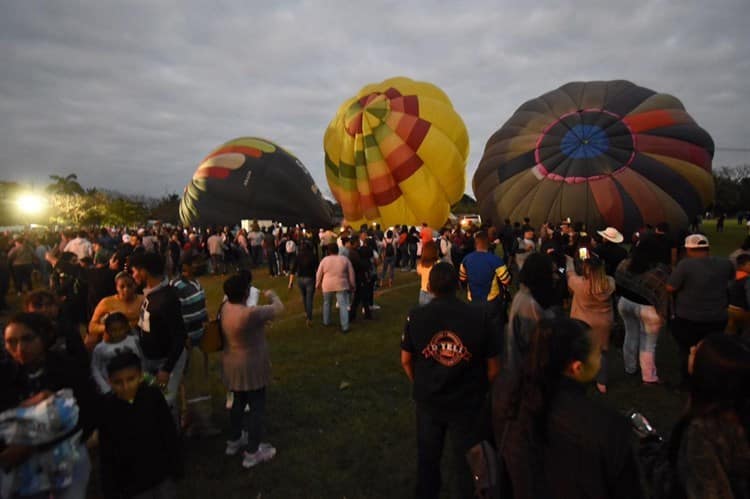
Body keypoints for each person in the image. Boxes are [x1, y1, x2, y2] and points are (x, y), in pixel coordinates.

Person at [491, 317, 644, 498]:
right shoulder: (607, 427)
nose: (601, 358)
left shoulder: (507, 395)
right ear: (577, 367)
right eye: (597, 354)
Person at [401, 262, 500, 499]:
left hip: (430, 400)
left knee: (428, 458)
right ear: (457, 285)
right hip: (466, 400)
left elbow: (406, 360)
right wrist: (480, 389)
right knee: (468, 460)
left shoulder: (416, 315)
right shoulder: (479, 316)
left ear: (430, 286)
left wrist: (421, 383)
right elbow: (494, 368)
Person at [2, 312, 98, 499]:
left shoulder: (67, 369)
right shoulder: (4, 375)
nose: (19, 348)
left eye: (27, 339)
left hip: (67, 456)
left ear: (44, 337)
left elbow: (89, 412)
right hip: (19, 467)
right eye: (11, 342)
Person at [643, 334, 750, 498]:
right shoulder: (734, 413)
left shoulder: (702, 431)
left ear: (709, 372)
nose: (691, 349)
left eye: (697, 351)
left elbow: (704, 487)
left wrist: (650, 451)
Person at [98, 352, 182, 499]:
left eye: (130, 379)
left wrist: (175, 466)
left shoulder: (153, 397)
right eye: (118, 382)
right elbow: (107, 451)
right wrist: (110, 489)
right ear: (110, 382)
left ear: (141, 376)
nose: (125, 387)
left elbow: (168, 432)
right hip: (132, 485)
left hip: (160, 475)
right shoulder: (108, 409)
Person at [221, 274, 283, 468]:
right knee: (257, 407)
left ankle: (235, 438)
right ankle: (253, 451)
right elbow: (279, 309)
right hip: (251, 366)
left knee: (238, 402)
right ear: (245, 292)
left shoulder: (225, 308)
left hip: (232, 364)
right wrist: (272, 295)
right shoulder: (249, 313)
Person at [667, 234, 734, 384]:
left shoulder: (685, 265)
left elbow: (670, 287)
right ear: (708, 248)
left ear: (688, 249)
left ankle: (688, 380)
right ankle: (712, 378)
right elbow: (731, 281)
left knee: (687, 350)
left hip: (689, 317)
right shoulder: (725, 263)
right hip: (718, 317)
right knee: (712, 349)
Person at [130, 252, 187, 418]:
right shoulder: (151, 294)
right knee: (154, 399)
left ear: (143, 271)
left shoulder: (166, 299)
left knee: (164, 402)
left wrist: (167, 369)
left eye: (134, 271)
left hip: (166, 361)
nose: (133, 275)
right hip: (151, 359)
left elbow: (179, 335)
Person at [615, 238, 671, 385]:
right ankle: (649, 377)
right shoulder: (658, 273)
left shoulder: (624, 264)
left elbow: (618, 284)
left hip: (625, 303)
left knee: (630, 335)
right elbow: (663, 295)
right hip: (648, 310)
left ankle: (630, 368)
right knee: (648, 344)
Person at [505, 252, 563, 373]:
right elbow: (536, 344)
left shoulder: (529, 296)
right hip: (530, 372)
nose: (555, 277)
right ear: (541, 275)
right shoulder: (528, 305)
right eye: (551, 273)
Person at [566, 255, 615, 393]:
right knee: (601, 352)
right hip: (603, 322)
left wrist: (569, 261)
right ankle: (602, 382)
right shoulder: (610, 283)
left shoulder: (579, 284)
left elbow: (570, 275)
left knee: (580, 351)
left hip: (583, 321)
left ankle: (580, 377)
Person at [87, 271, 144, 350]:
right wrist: (113, 329)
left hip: (137, 342)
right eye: (122, 287)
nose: (126, 290)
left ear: (135, 286)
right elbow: (92, 326)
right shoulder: (106, 302)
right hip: (113, 344)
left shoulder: (143, 300)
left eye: (129, 286)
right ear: (116, 288)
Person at [90, 312, 142, 394]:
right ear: (107, 330)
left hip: (134, 384)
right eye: (113, 330)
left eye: (121, 329)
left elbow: (141, 360)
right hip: (112, 388)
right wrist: (105, 388)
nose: (118, 333)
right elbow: (95, 369)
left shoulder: (134, 340)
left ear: (126, 328)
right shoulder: (100, 348)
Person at [458, 231, 511, 304]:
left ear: (475, 244)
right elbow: (506, 280)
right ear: (488, 244)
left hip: (472, 299)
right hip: (491, 300)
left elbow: (462, 278)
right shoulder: (496, 260)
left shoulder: (466, 259)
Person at [316, 243, 355, 333]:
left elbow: (319, 273)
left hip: (327, 284)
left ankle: (326, 321)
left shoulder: (325, 260)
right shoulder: (344, 259)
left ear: (328, 251)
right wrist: (352, 284)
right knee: (343, 305)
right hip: (341, 284)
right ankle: (345, 326)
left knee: (327, 303)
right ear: (337, 250)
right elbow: (351, 273)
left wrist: (317, 283)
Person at [169, 255, 208, 346]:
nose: (198, 265)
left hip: (200, 331)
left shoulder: (196, 282)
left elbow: (201, 306)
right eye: (195, 263)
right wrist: (184, 336)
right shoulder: (177, 285)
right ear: (185, 266)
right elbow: (175, 312)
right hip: (187, 337)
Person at [288, 241, 318, 327]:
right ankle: (309, 317)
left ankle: (306, 313)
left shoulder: (298, 256)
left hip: (300, 279)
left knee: (304, 297)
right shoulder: (313, 256)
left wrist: (290, 283)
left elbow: (293, 270)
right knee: (309, 299)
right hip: (310, 278)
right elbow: (317, 269)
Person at [416, 240, 439, 305]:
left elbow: (418, 272)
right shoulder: (438, 264)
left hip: (423, 293)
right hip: (434, 293)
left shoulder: (421, 265)